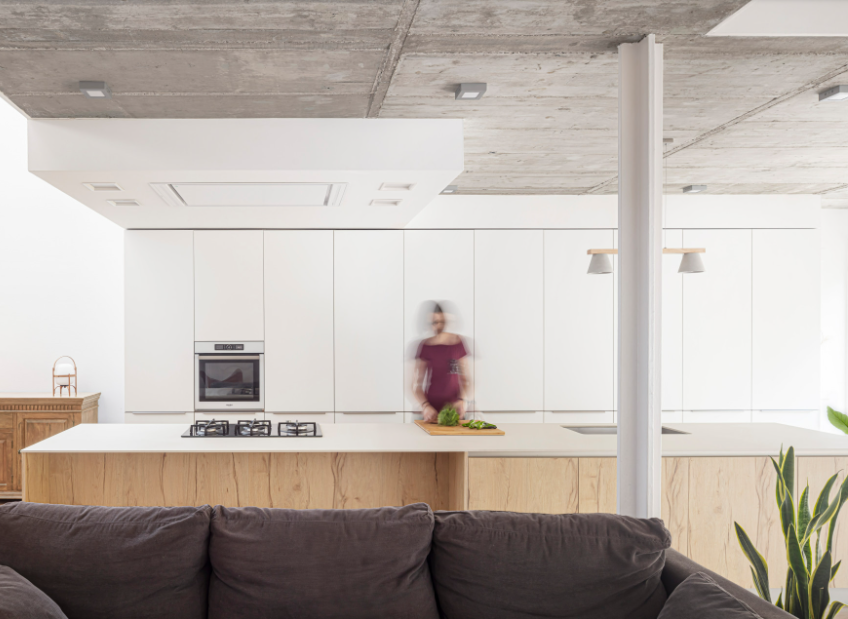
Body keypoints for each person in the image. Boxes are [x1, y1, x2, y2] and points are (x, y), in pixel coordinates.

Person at [413, 302, 471, 423]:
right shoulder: (425, 346)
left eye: (441, 322)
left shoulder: (457, 343)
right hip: (431, 412)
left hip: (455, 412)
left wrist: (462, 400)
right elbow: (416, 385)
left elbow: (466, 380)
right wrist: (425, 406)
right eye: (434, 322)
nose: (438, 326)